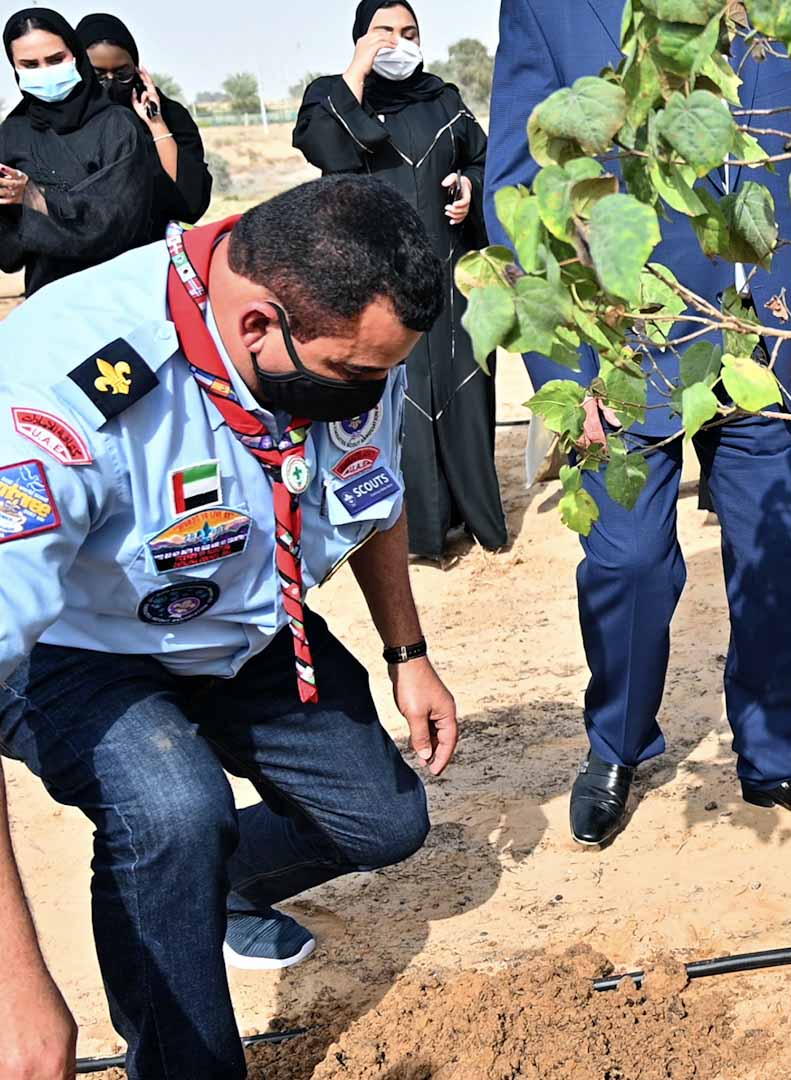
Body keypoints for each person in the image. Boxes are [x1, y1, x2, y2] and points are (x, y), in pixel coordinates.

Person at [0, 175, 459, 1079]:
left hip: (244, 620)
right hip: (81, 648)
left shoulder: (348, 335)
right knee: (173, 813)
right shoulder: (59, 383)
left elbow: (370, 486)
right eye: (356, 377)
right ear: (257, 325)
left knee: (382, 824)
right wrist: (15, 996)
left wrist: (409, 653)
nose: (373, 391)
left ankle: (217, 883)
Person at [489, 0, 791, 847]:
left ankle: (778, 758)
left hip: (765, 335)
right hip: (620, 352)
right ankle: (618, 746)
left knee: (772, 553)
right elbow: (516, 195)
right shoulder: (547, 10)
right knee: (626, 562)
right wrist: (566, 373)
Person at [295, 0, 506, 561]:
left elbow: (483, 159)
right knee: (397, 400)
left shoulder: (443, 100)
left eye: (408, 32)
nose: (397, 42)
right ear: (359, 38)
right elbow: (328, 149)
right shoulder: (330, 97)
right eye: (383, 32)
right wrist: (357, 72)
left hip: (452, 276)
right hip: (377, 283)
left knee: (465, 389)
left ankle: (476, 518)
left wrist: (469, 187)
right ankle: (416, 533)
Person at [0, 8, 157, 296]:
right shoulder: (12, 134)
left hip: (125, 292)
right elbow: (9, 255)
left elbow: (121, 222)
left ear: (76, 55)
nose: (45, 71)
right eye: (30, 64)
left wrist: (35, 197)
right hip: (51, 296)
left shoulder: (117, 125)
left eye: (55, 59)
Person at [76, 12, 212, 239]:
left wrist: (156, 123)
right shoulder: (67, 121)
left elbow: (191, 201)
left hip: (155, 246)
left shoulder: (171, 116)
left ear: (137, 70)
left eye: (122, 73)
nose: (110, 83)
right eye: (98, 75)